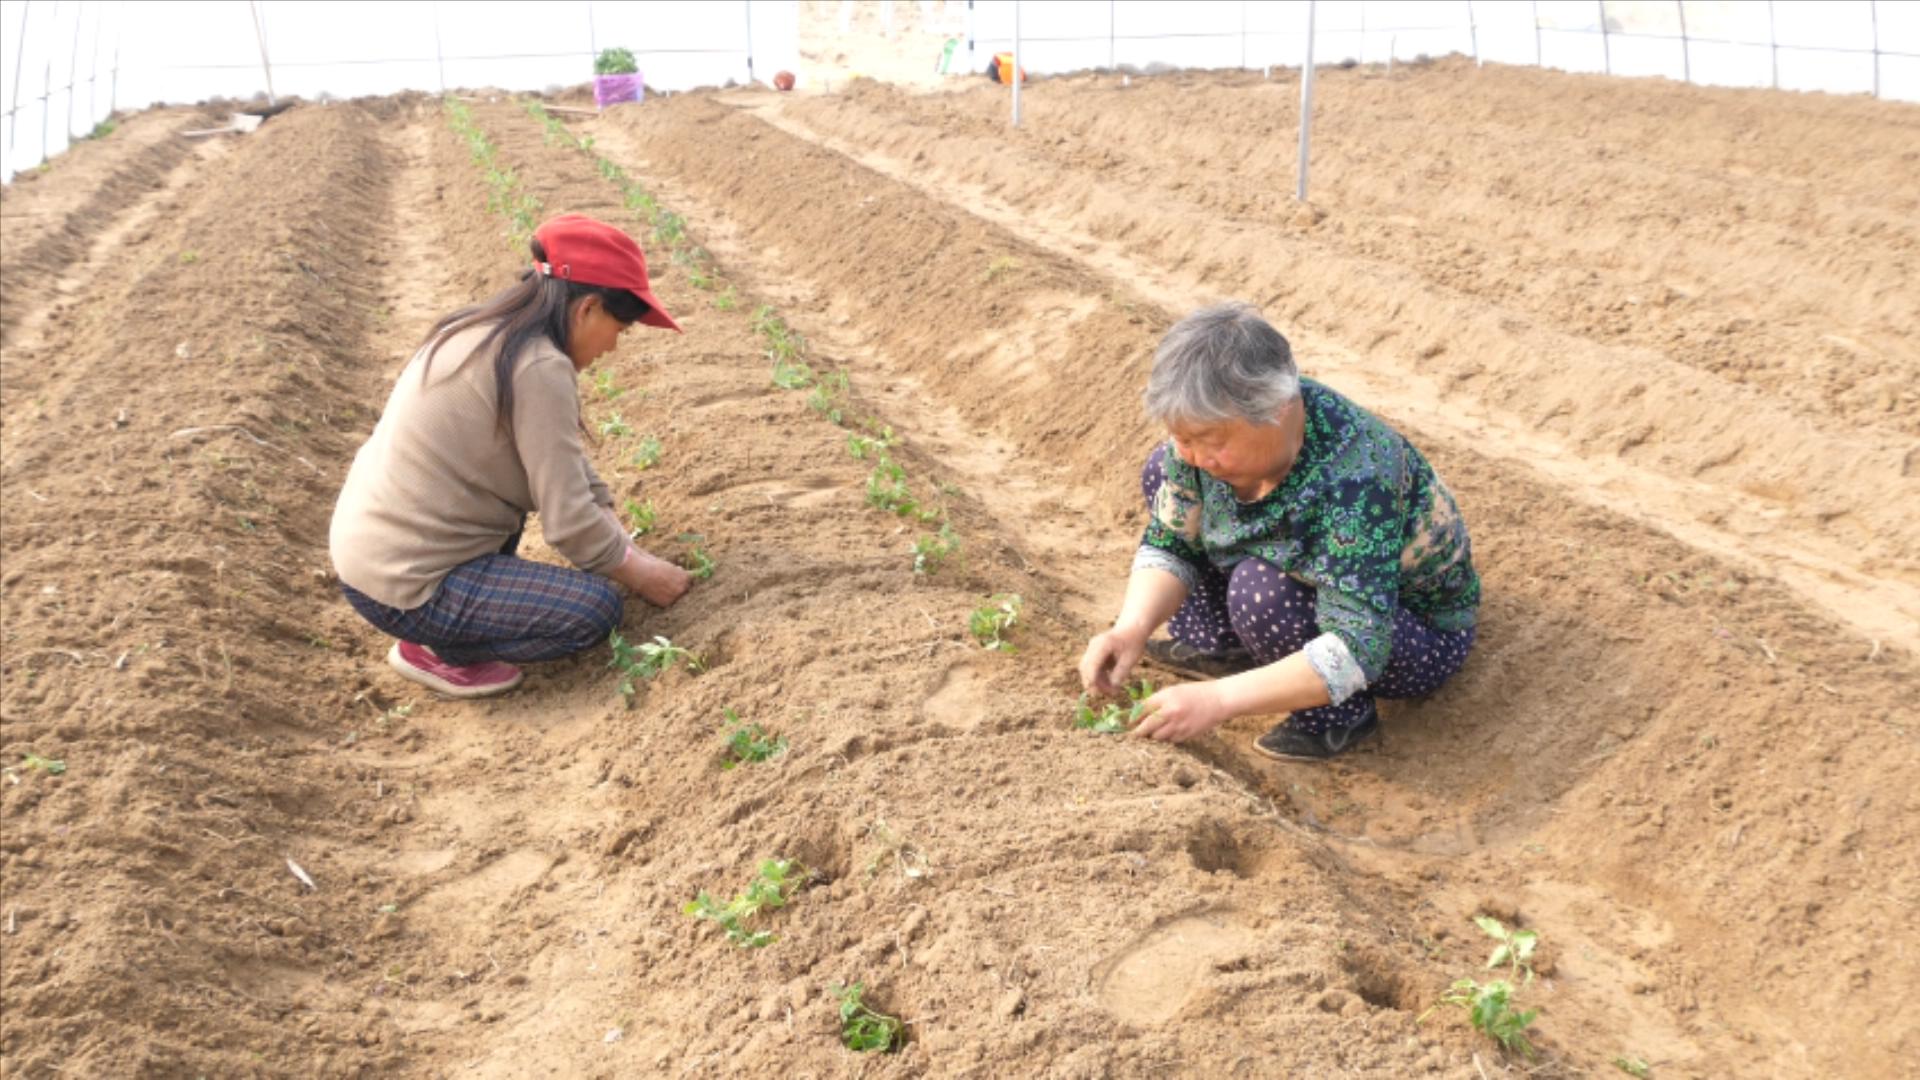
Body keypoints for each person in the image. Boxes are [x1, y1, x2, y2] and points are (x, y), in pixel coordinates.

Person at [1078, 303, 1480, 760]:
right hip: (1314, 573)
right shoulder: (1204, 445)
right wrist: (1130, 629)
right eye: (1183, 438)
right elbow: (1173, 538)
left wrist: (1219, 701)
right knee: (1162, 471)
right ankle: (1224, 645)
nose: (1190, 455)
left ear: (1277, 410)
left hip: (1407, 630)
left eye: (1209, 442)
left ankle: (1338, 717)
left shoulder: (1358, 480)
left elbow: (1359, 646)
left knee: (1263, 591)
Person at [330, 214, 693, 698]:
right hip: (408, 584)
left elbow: (556, 455)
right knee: (595, 610)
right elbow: (568, 525)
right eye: (620, 329)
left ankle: (437, 630)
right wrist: (642, 572)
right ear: (587, 310)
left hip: (369, 557)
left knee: (571, 544)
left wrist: (612, 524)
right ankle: (437, 649)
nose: (613, 346)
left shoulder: (483, 329)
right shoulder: (540, 367)